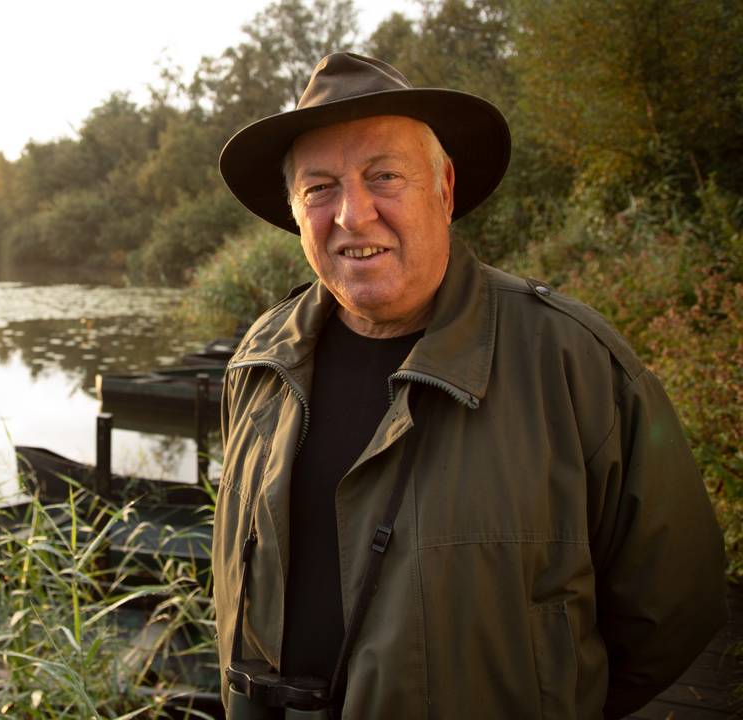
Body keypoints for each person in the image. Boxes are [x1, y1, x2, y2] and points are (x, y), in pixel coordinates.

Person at [211, 51, 726, 719]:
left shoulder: (573, 363)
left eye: (384, 176)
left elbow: (675, 606)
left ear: (445, 188)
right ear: (295, 211)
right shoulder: (260, 360)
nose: (353, 215)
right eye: (320, 189)